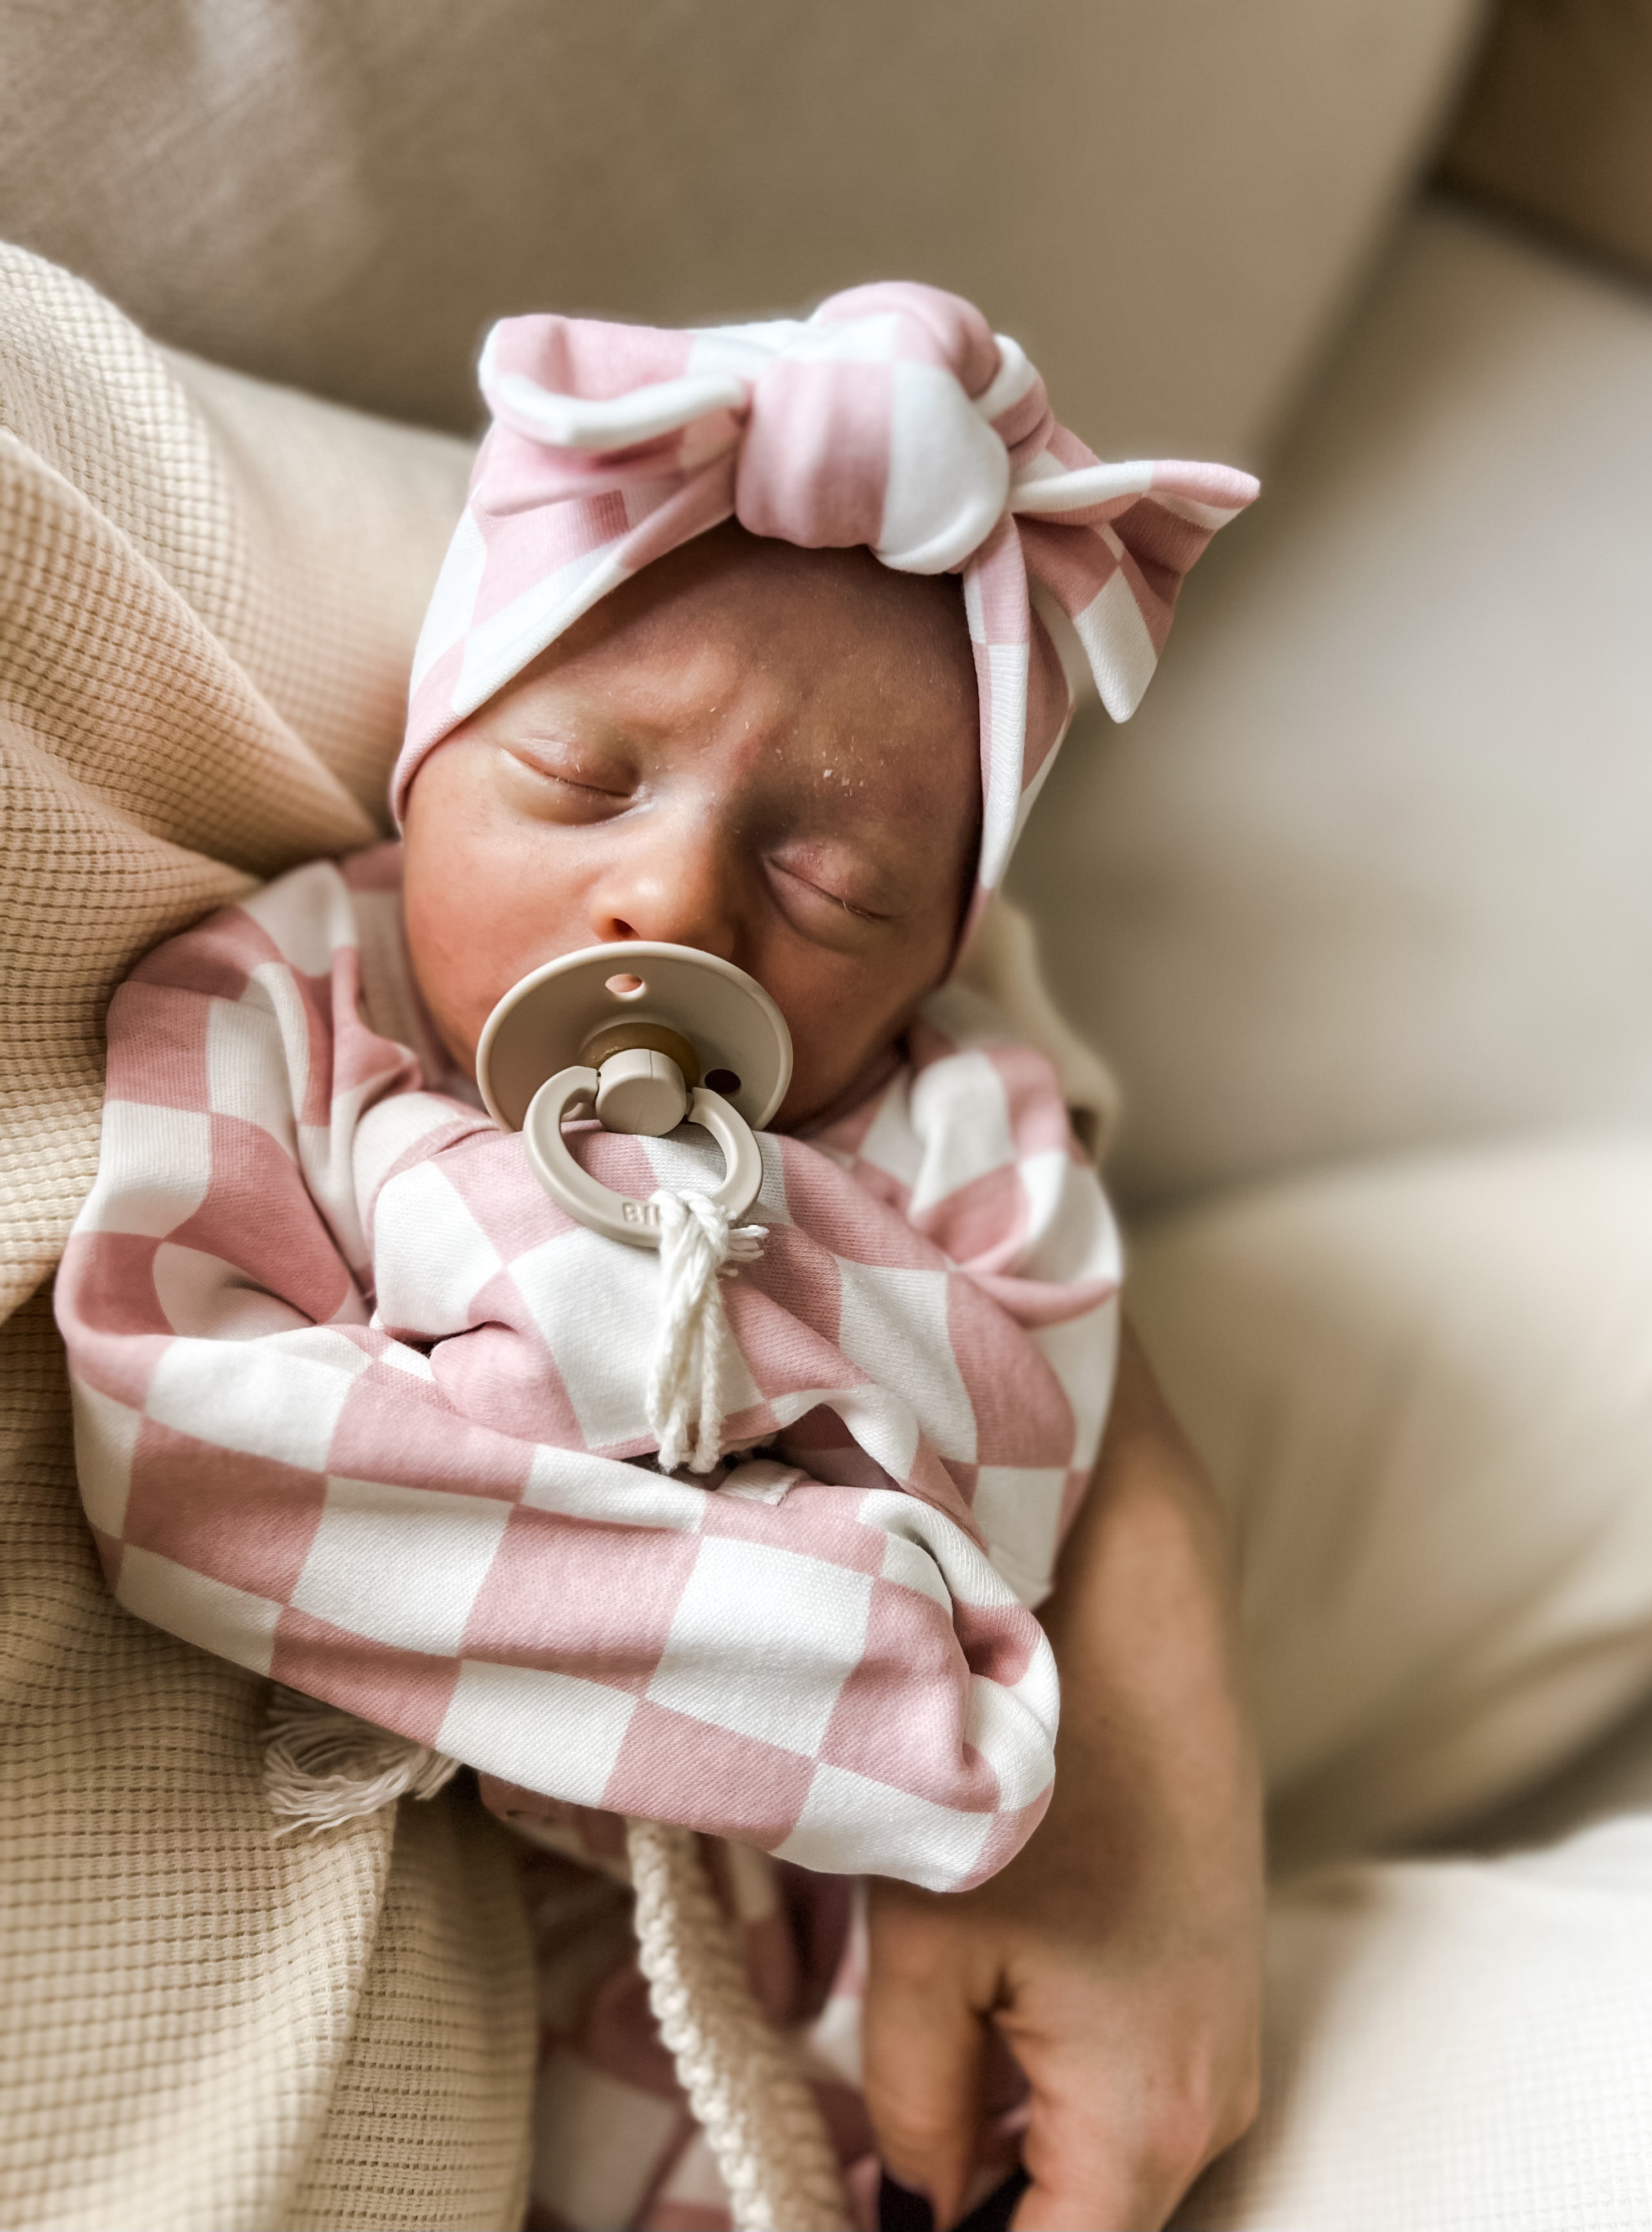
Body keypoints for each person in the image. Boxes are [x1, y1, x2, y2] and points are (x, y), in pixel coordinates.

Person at [56, 283, 1261, 2230]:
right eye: (583, 781)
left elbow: (1035, 1455)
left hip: (856, 1985)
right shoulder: (282, 1002)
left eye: (832, 884)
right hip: (537, 1916)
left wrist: (723, 1254)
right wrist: (866, 1653)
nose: (669, 894)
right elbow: (194, 1448)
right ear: (427, 752)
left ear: (936, 964)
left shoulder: (959, 1120)